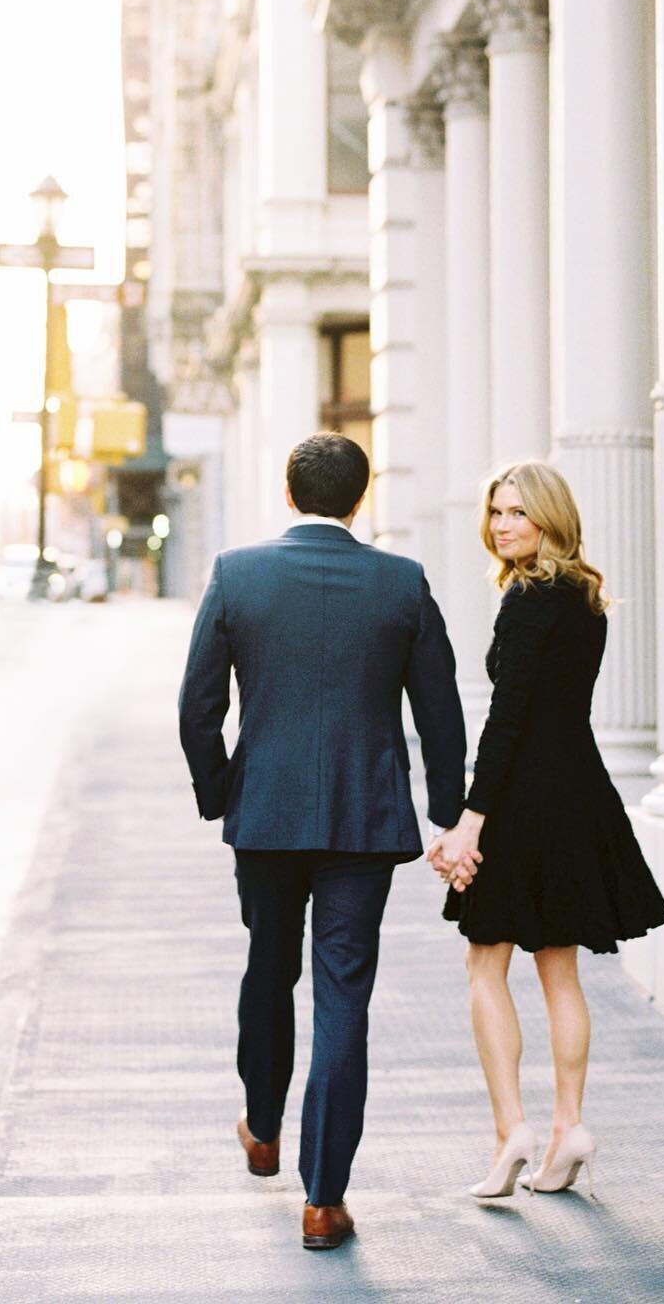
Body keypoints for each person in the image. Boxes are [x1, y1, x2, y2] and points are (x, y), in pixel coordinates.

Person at [177, 432, 474, 1251]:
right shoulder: (401, 583)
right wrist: (448, 809)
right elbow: (440, 711)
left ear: (287, 493)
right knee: (343, 997)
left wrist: (219, 793)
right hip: (362, 823)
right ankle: (323, 1199)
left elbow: (197, 706)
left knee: (269, 966)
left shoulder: (238, 574)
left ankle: (263, 1128)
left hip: (265, 819)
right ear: (360, 497)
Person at [429, 460, 664, 1201]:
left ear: (549, 519)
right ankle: (570, 1129)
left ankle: (515, 1133)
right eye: (496, 512)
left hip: (526, 801)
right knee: (558, 970)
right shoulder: (584, 596)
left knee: (485, 967)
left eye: (517, 513)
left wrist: (471, 821)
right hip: (577, 793)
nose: (503, 526)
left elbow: (508, 721)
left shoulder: (529, 598)